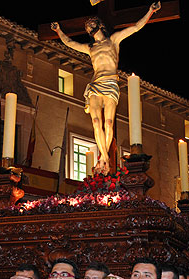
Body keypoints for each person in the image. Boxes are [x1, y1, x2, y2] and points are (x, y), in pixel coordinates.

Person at [51, 2, 161, 174]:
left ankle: (103, 158)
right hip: (95, 84)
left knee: (108, 123)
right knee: (96, 122)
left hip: (110, 83)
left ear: (100, 25)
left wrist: (150, 11)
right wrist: (58, 31)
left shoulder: (114, 40)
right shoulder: (90, 47)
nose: (88, 28)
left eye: (91, 25)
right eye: (87, 27)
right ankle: (105, 158)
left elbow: (136, 27)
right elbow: (70, 43)